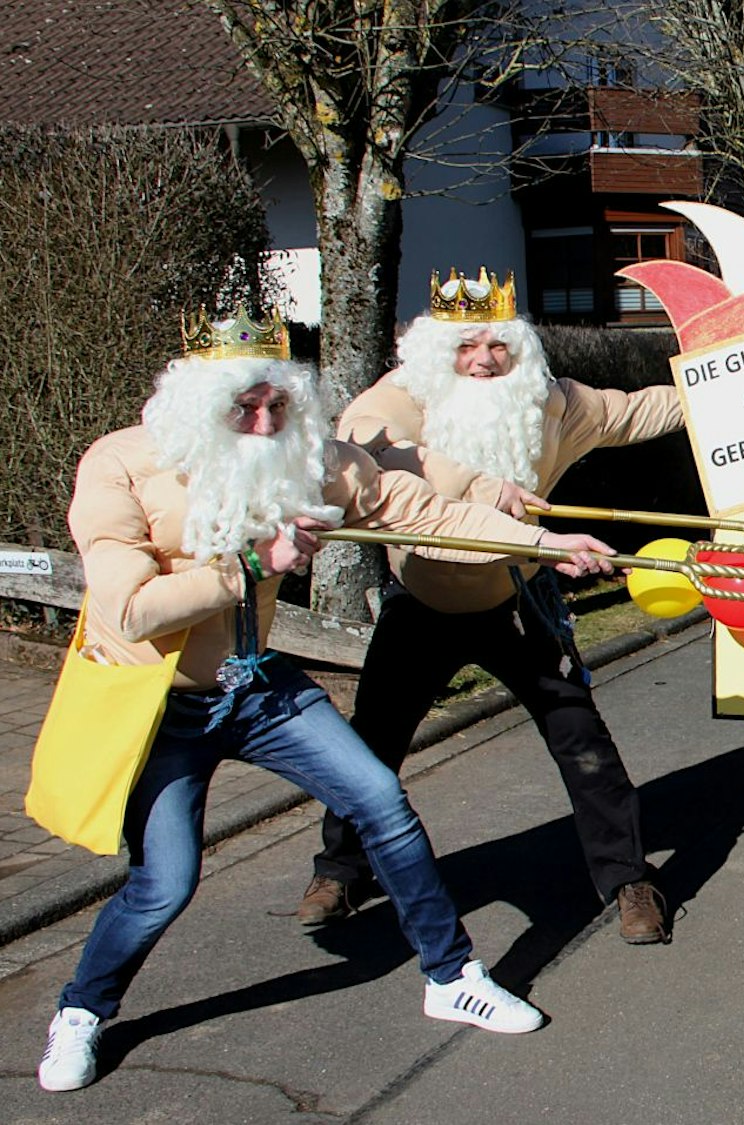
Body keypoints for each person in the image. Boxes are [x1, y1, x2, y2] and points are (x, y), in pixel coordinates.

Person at [39, 309, 620, 1093]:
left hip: (258, 686)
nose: (264, 422)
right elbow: (129, 607)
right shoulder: (120, 465)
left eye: (279, 405)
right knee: (163, 885)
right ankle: (82, 1008)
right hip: (159, 702)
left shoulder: (310, 462)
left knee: (381, 794)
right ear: (196, 406)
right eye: (244, 407)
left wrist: (549, 544)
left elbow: (428, 511)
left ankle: (450, 976)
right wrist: (253, 560)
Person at [297, 269, 687, 945]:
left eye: (497, 346)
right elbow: (369, 446)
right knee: (373, 743)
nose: (483, 361)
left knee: (582, 739)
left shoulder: (554, 403)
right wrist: (468, 484)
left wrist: (724, 386)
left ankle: (628, 879)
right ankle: (340, 869)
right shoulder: (396, 401)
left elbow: (637, 410)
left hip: (516, 596)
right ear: (432, 354)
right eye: (465, 346)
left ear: (519, 349)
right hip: (422, 598)